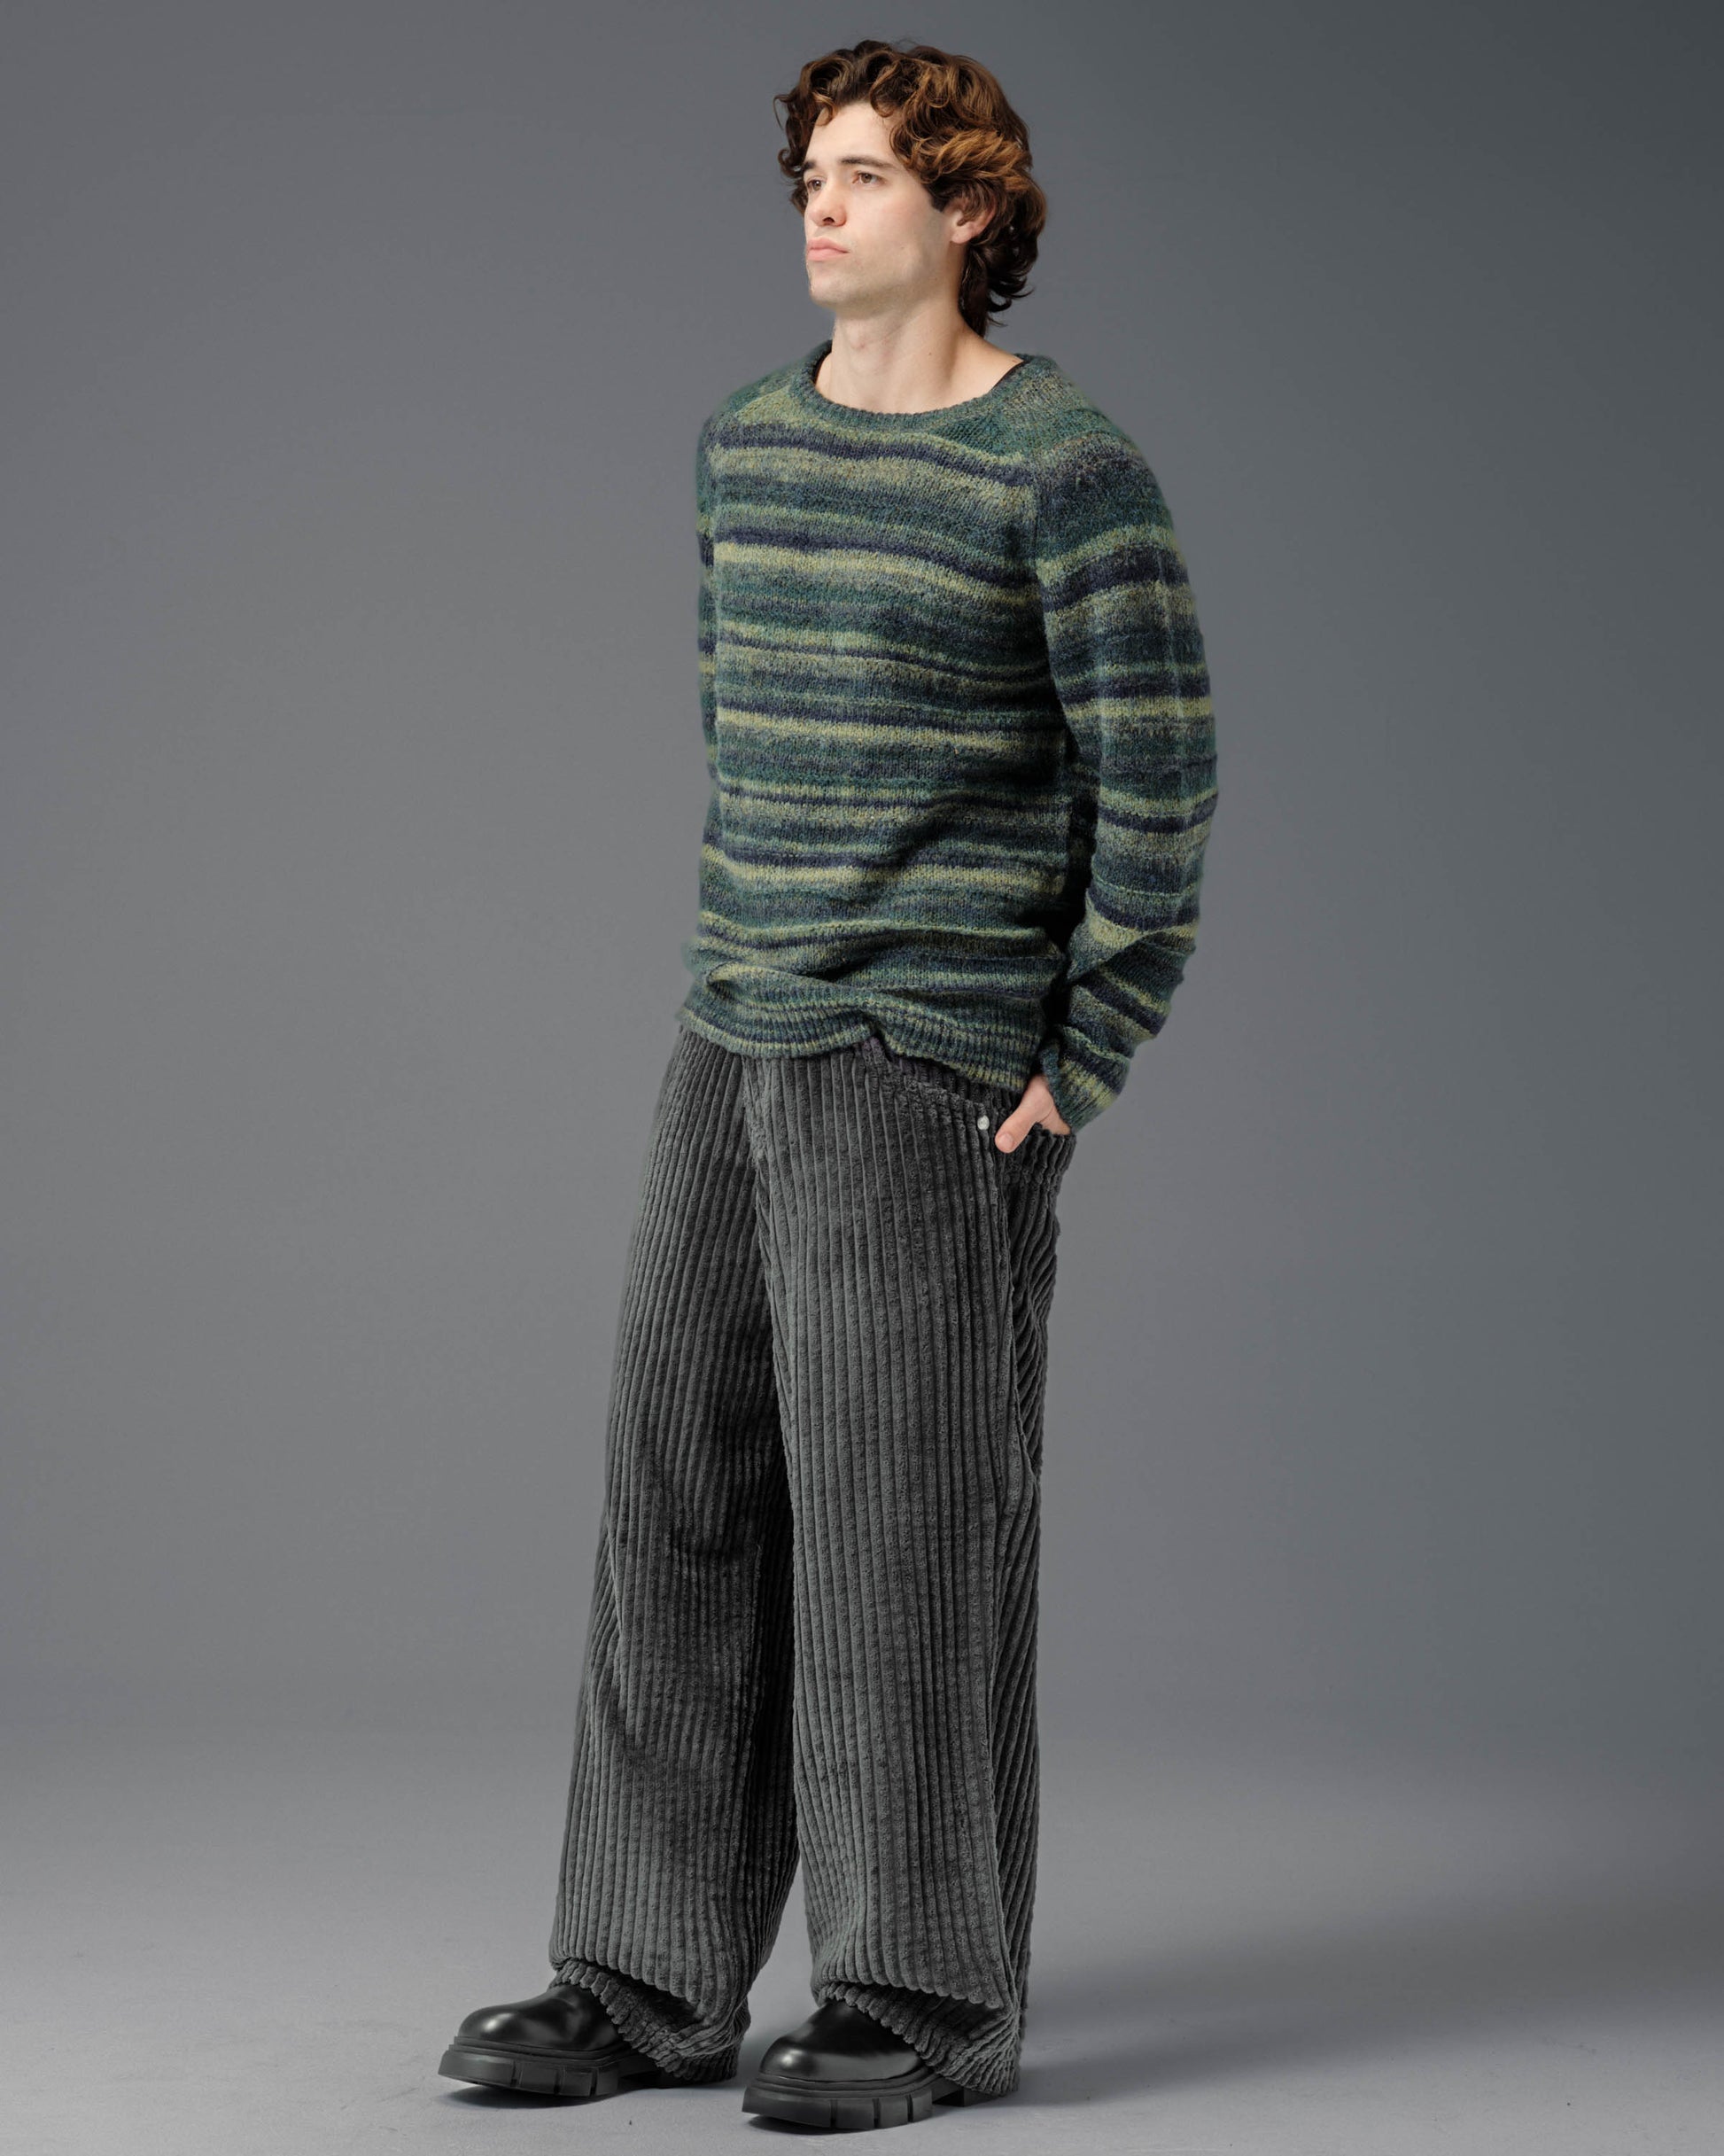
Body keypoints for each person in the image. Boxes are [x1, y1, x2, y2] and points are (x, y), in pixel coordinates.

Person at [437, 35, 1218, 2135]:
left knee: (904, 1531)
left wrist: (1079, 1053)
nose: (821, 202)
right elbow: (746, 751)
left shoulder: (1063, 470)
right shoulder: (744, 444)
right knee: (676, 1501)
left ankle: (919, 1992)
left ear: (969, 211)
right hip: (733, 1029)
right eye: (811, 169)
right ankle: (645, 1973)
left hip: (926, 1056)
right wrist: (733, 978)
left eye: (865, 174)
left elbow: (1158, 787)